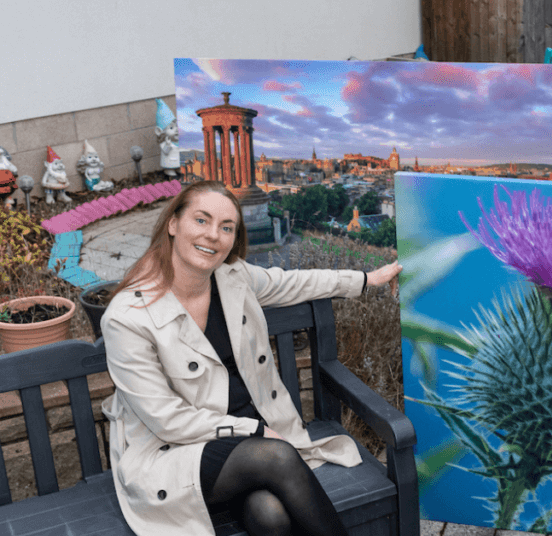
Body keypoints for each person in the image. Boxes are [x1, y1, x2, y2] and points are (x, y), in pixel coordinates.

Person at [99, 180, 402, 535]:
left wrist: (367, 278)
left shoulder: (232, 277)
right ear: (172, 224)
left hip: (247, 453)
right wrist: (254, 429)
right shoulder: (127, 317)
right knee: (276, 456)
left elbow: (294, 283)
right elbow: (168, 421)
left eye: (226, 227)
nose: (213, 235)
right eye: (201, 220)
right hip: (177, 451)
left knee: (269, 514)